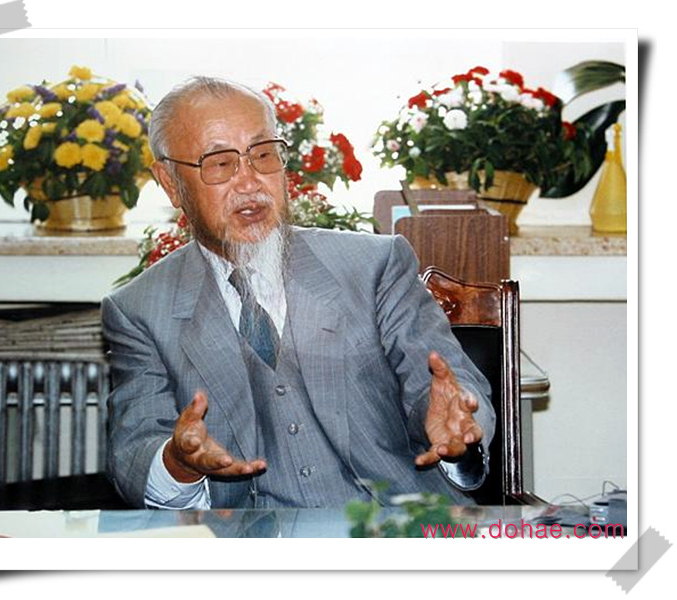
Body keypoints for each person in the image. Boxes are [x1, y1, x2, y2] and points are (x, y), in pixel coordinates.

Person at [101, 76, 495, 510]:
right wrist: (178, 463)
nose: (250, 183)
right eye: (220, 163)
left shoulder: (373, 266)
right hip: (248, 539)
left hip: (395, 525)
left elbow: (445, 387)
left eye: (263, 155)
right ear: (171, 182)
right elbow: (135, 451)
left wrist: (452, 424)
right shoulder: (140, 310)